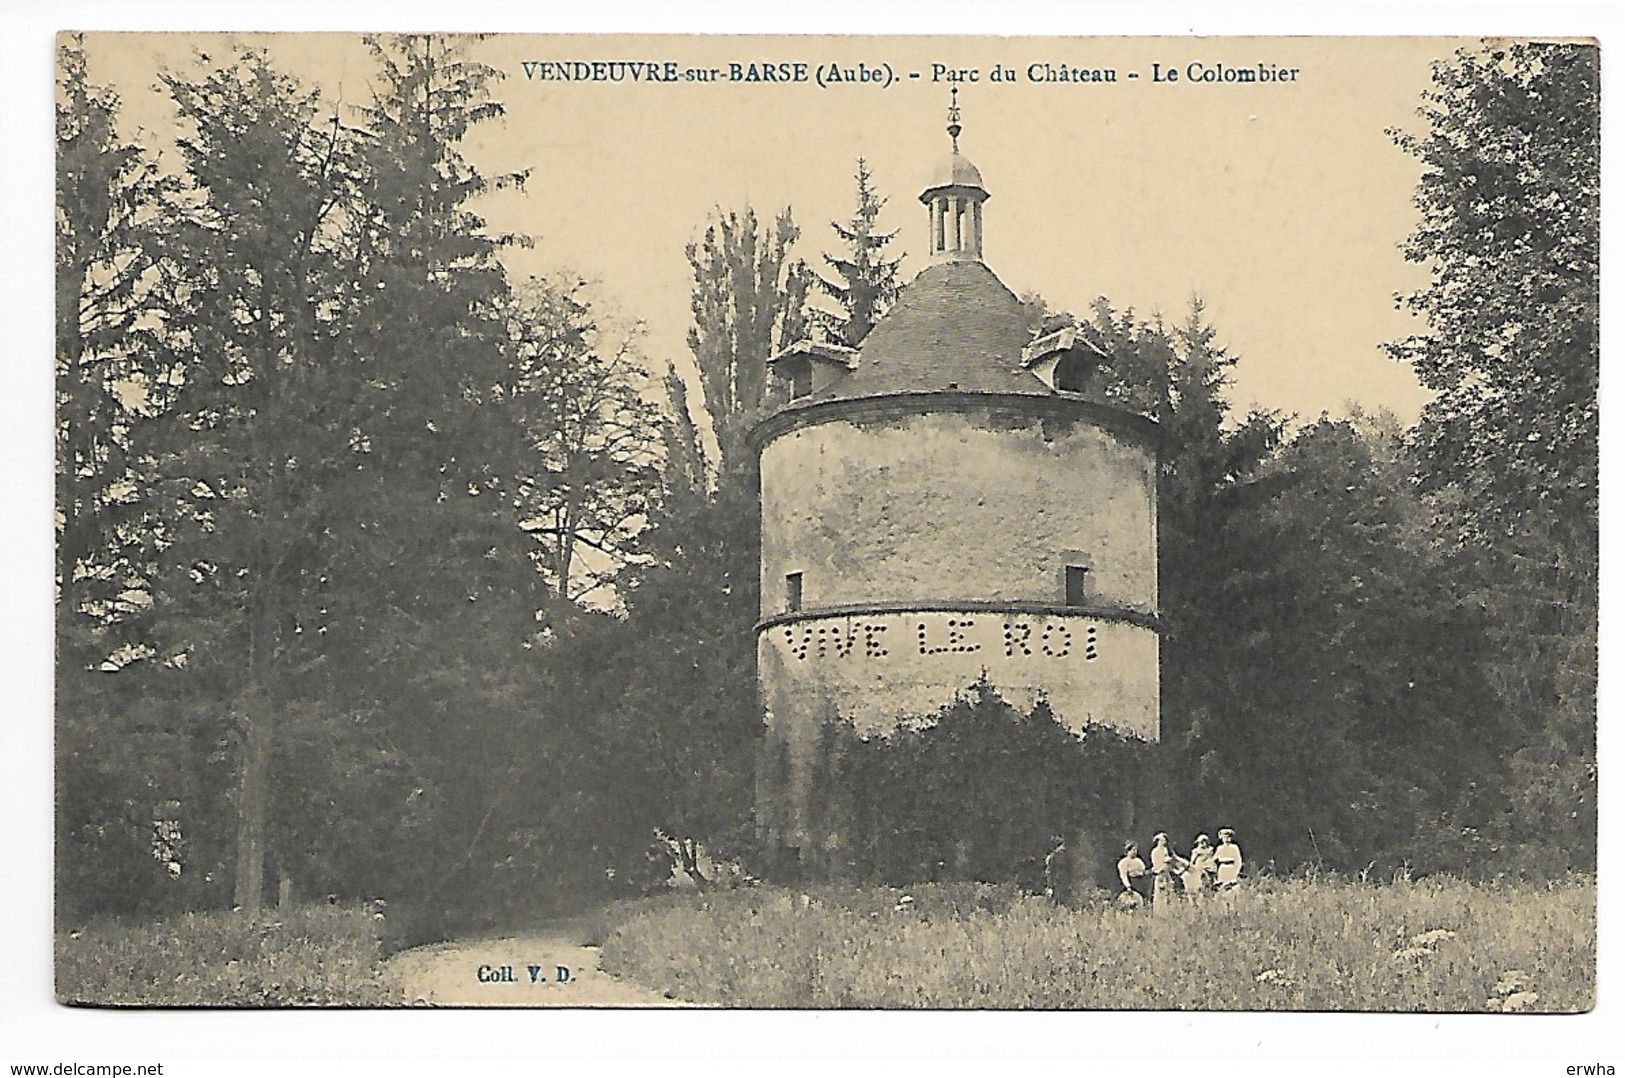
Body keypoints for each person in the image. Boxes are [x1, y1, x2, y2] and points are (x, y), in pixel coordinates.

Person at [1148, 832, 1187, 911]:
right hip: (1160, 875)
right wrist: (1163, 865)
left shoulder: (1166, 850)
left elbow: (1174, 858)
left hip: (1167, 874)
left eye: (1165, 840)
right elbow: (1156, 865)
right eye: (1162, 840)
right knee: (1161, 893)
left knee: (1169, 893)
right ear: (1158, 841)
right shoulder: (1155, 852)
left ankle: (1170, 911)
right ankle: (1160, 912)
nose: (1164, 842)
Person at [1182, 833, 1216, 899]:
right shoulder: (1196, 851)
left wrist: (1212, 867)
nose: (1203, 844)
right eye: (1201, 842)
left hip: (1208, 868)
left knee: (1209, 884)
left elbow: (1212, 859)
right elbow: (1193, 861)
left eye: (1205, 842)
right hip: (1199, 868)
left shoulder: (1210, 850)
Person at [1116, 841, 1147, 906]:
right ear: (1128, 851)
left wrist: (1143, 873)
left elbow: (1144, 870)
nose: (1135, 852)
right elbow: (1123, 875)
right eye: (1133, 850)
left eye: (1136, 850)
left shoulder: (1139, 861)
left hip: (1141, 884)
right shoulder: (1123, 862)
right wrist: (1128, 886)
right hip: (1130, 884)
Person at [1214, 828, 1243, 892]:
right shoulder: (1220, 848)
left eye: (1228, 837)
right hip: (1223, 868)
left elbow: (1238, 860)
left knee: (1232, 886)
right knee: (1223, 886)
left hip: (1231, 868)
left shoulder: (1234, 847)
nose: (1226, 839)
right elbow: (1214, 859)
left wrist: (1237, 870)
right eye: (1224, 837)